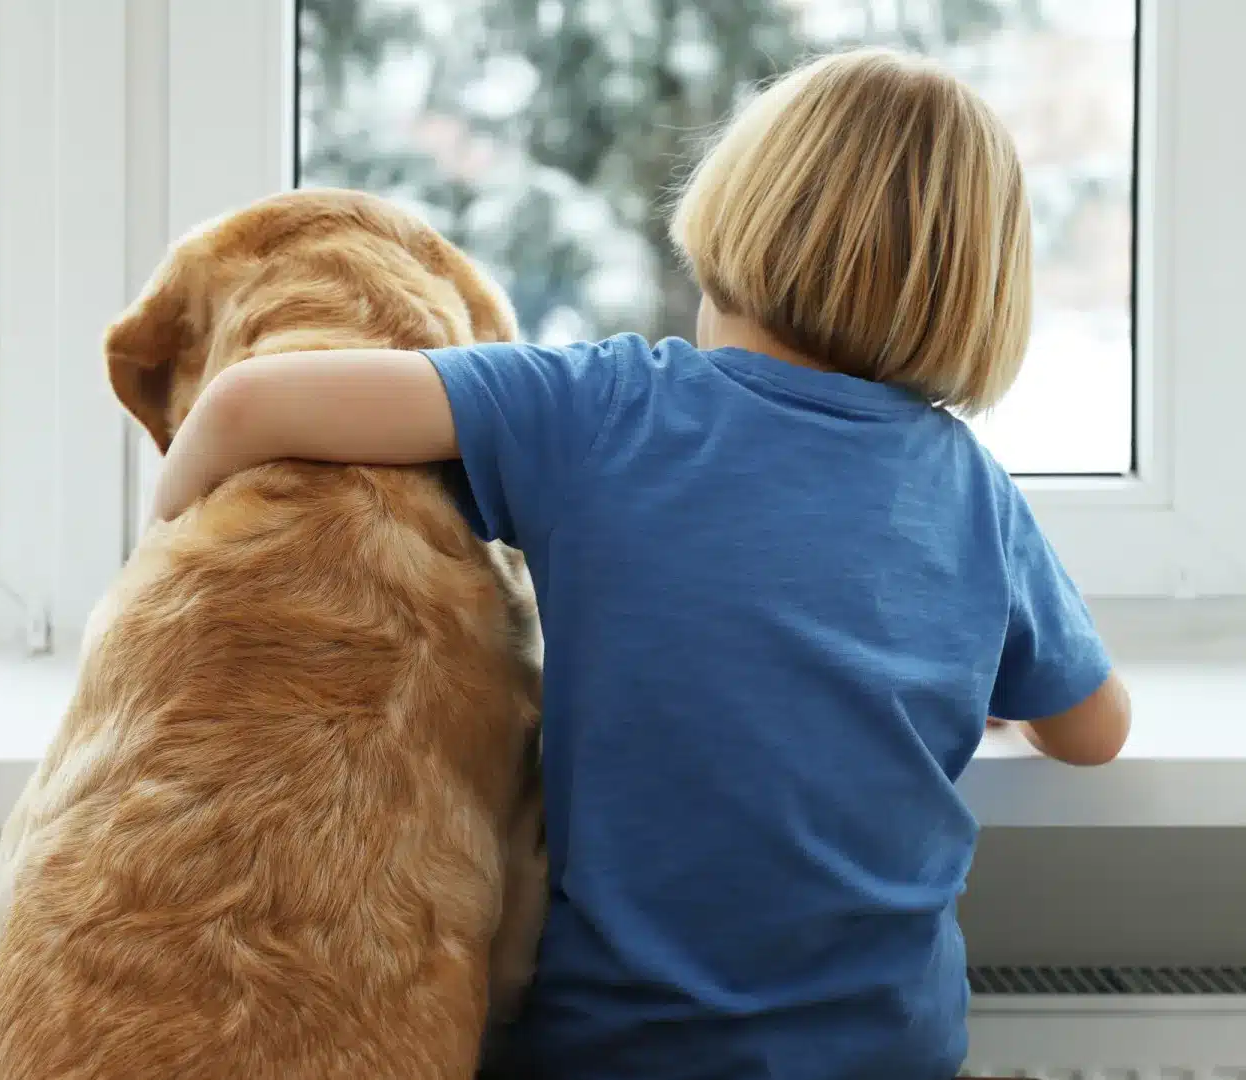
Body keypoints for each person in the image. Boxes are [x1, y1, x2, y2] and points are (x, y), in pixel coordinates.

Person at [151, 46, 1131, 1080]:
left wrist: (160, 562)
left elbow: (246, 405)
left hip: (619, 1052)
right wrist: (969, 685)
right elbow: (1093, 731)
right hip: (889, 1052)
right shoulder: (972, 490)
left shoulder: (606, 407)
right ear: (973, 291)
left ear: (740, 210)